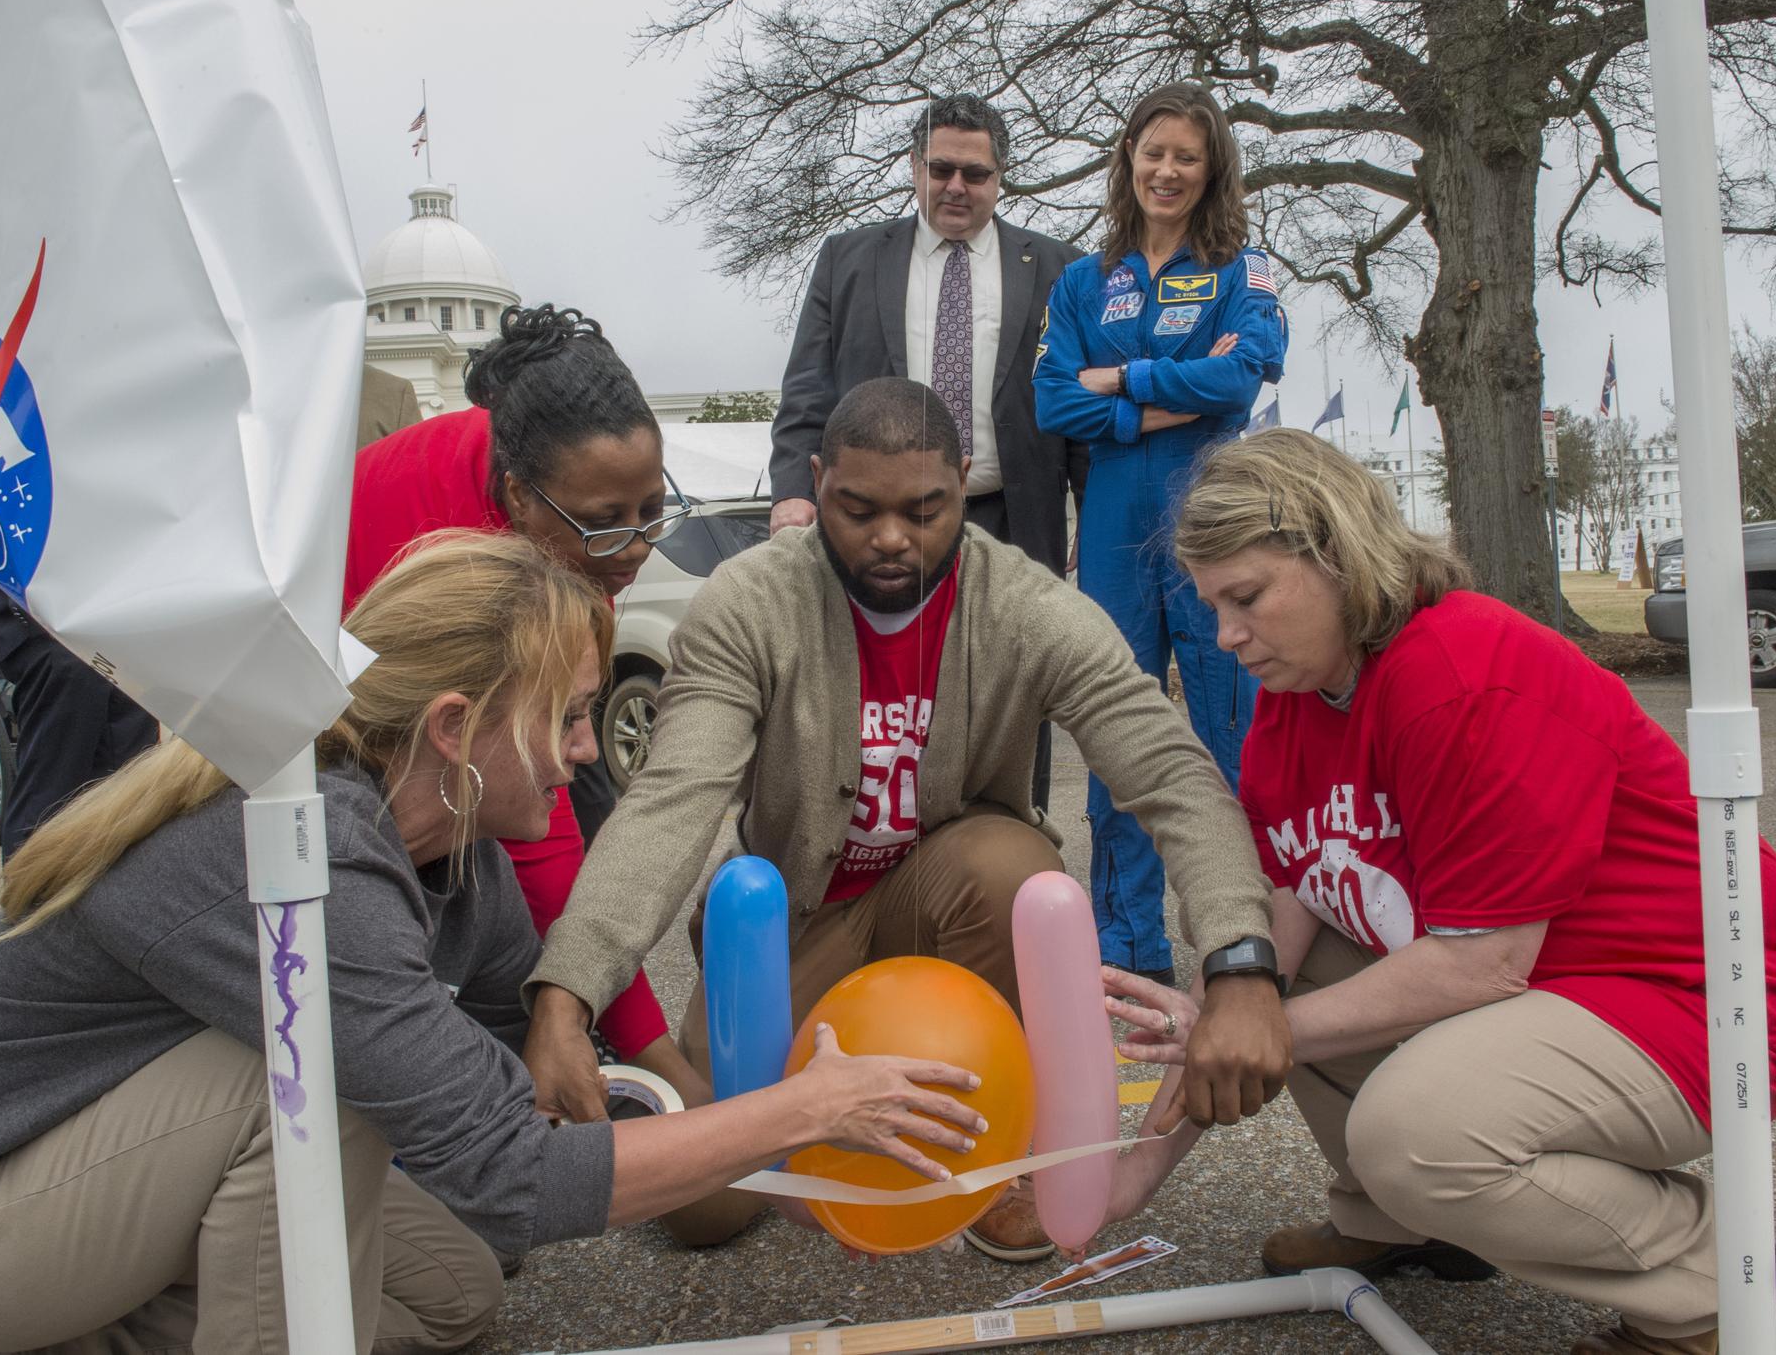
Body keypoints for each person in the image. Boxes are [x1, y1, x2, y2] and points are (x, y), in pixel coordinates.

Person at [0, 533, 984, 1355]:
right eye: (567, 716)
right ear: (456, 728)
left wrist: (559, 1016)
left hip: (113, 1194)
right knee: (300, 1075)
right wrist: (802, 1111)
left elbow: (516, 1102)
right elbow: (511, 1173)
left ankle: (99, 1328)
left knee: (456, 1290)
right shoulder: (299, 852)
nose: (585, 752)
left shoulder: (460, 859)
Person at [528, 379, 1292, 1261]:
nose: (891, 537)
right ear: (818, 481)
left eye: (925, 510)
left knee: (1011, 867)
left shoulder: (1027, 607)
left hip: (949, 903)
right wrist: (566, 993)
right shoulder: (748, 603)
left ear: (963, 481)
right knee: (704, 1213)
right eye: (858, 509)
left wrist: (1241, 961)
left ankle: (992, 1155)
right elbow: (673, 798)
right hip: (807, 918)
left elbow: (1168, 771)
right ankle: (807, 1130)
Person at [1097, 429, 1776, 1355]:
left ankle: (1708, 1279)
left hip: (1701, 1000)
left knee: (1415, 1133)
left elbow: (1484, 965)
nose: (1226, 636)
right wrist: (1133, 1174)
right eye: (1212, 606)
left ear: (1337, 555)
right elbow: (1280, 922)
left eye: (1247, 597)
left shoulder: (1461, 670)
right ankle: (1400, 1221)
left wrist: (1252, 1029)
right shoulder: (1298, 695)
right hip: (1556, 985)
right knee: (1266, 983)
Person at [346, 303, 697, 1098]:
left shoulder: (569, 503)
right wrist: (660, 1061)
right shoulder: (459, 554)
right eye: (607, 524)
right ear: (519, 498)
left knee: (580, 827)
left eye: (652, 511)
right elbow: (540, 845)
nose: (638, 548)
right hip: (348, 715)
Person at [1033, 81, 1288, 985]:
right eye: (1155, 153)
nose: (1168, 171)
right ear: (1129, 160)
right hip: (1111, 521)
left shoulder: (1243, 269)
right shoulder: (1082, 281)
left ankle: (1254, 942)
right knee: (1119, 736)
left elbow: (1241, 378)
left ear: (1212, 168)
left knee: (1236, 733)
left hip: (1212, 516)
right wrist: (1169, 393)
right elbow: (1052, 400)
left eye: (1187, 156)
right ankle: (1130, 956)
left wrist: (1120, 379)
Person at [769, 94, 1084, 808]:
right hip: (882, 521)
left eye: (976, 174)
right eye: (941, 169)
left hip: (1012, 518)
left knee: (1013, 693)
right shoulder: (848, 260)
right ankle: (876, 841)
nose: (956, 187)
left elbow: (1076, 409)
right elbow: (807, 390)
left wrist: (1091, 514)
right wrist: (792, 492)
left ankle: (1015, 836)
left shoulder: (1058, 268)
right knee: (883, 694)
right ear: (915, 167)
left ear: (1001, 178)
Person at [0, 568, 160, 859]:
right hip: (46, 620)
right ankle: (31, 884)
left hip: (117, 622)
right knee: (51, 788)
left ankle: (113, 884)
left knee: (128, 781)